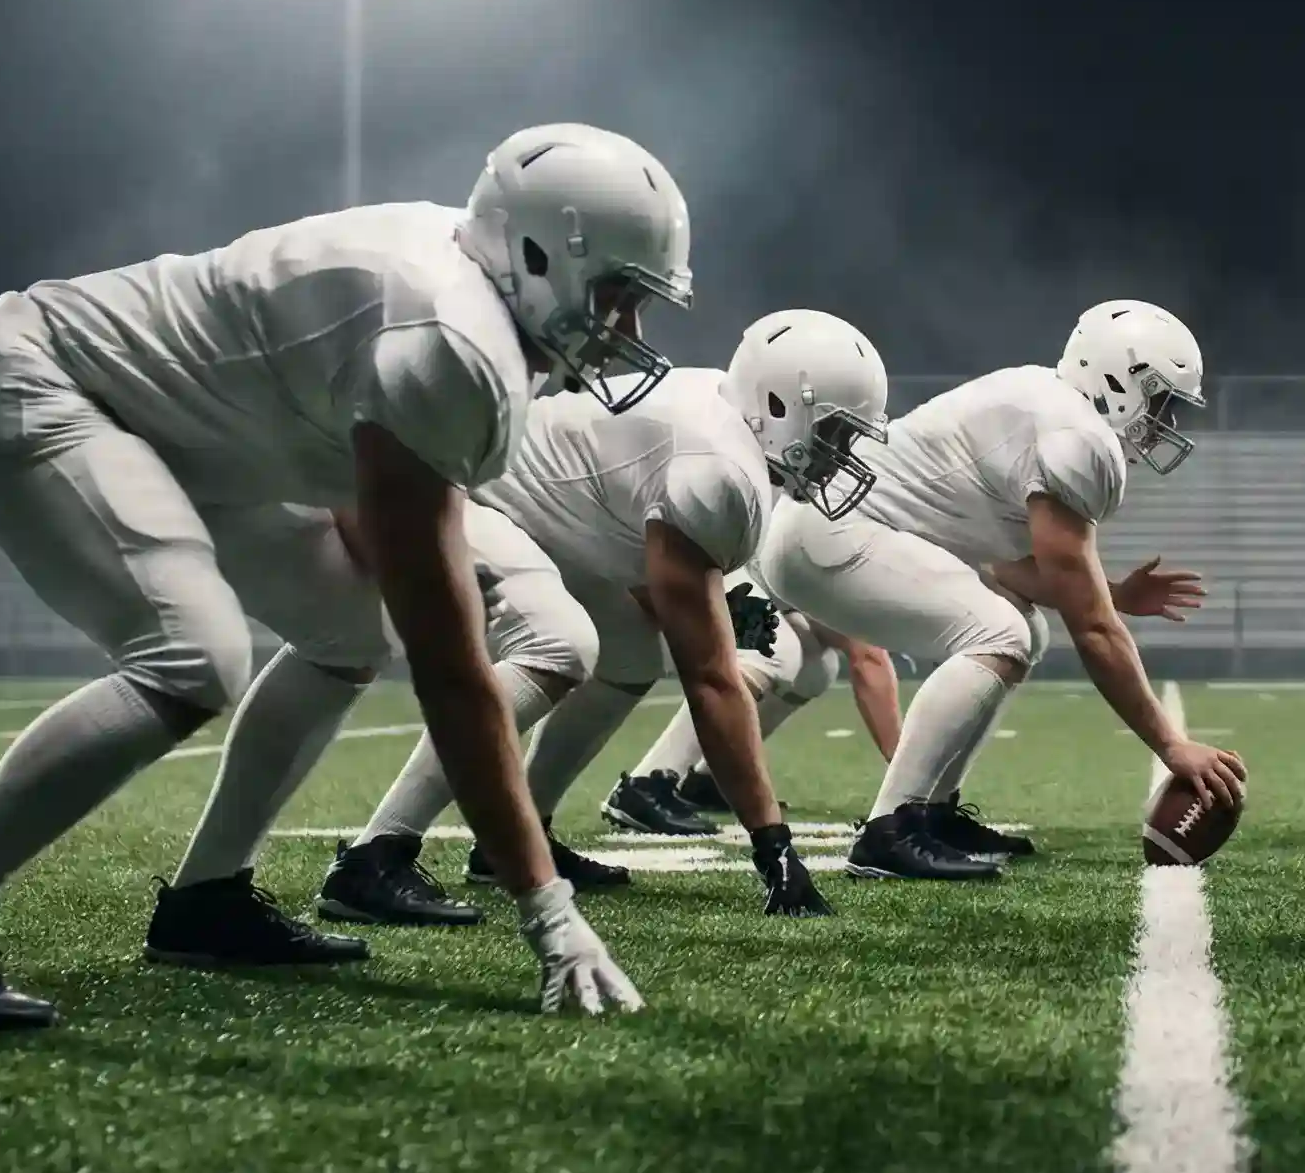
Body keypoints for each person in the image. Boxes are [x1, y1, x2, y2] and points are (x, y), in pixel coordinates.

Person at [0, 123, 686, 1028]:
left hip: (199, 437)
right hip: (43, 378)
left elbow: (372, 513)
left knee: (349, 631)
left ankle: (207, 899)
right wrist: (546, 911)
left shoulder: (463, 285)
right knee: (191, 657)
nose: (625, 330)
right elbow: (452, 671)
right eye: (617, 295)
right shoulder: (451, 337)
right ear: (537, 254)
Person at [316, 313, 882, 926]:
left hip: (546, 513)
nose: (839, 457)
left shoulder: (726, 421)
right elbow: (712, 680)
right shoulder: (723, 470)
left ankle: (511, 836)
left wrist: (711, 606)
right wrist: (774, 847)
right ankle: (376, 854)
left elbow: (638, 556)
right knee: (559, 645)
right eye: (833, 434)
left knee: (629, 656)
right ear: (777, 406)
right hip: (470, 488)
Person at [758, 300, 1246, 879]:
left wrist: (1113, 593)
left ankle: (931, 810)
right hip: (831, 530)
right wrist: (1170, 743)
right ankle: (890, 829)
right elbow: (1091, 629)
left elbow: (1008, 572)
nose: (1164, 422)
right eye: (1161, 401)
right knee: (1002, 632)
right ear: (1121, 382)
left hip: (829, 527)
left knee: (1022, 625)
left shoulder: (1046, 402)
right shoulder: (1078, 437)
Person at [599, 601, 902, 834]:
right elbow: (868, 655)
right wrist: (909, 777)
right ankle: (645, 784)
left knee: (814, 666)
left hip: (742, 561)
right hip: (698, 565)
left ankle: (712, 776)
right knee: (770, 649)